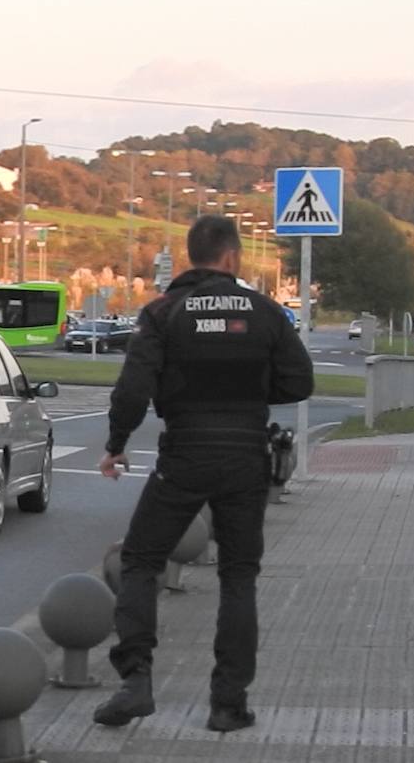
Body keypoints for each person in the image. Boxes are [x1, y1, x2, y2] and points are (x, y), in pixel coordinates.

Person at [93, 216, 314, 733]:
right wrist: (252, 398)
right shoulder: (265, 313)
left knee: (141, 560)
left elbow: (132, 389)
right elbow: (299, 381)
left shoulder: (163, 313)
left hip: (184, 454)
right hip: (245, 457)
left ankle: (136, 681)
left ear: (192, 256)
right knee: (238, 576)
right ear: (233, 257)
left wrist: (116, 445)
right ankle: (228, 703)